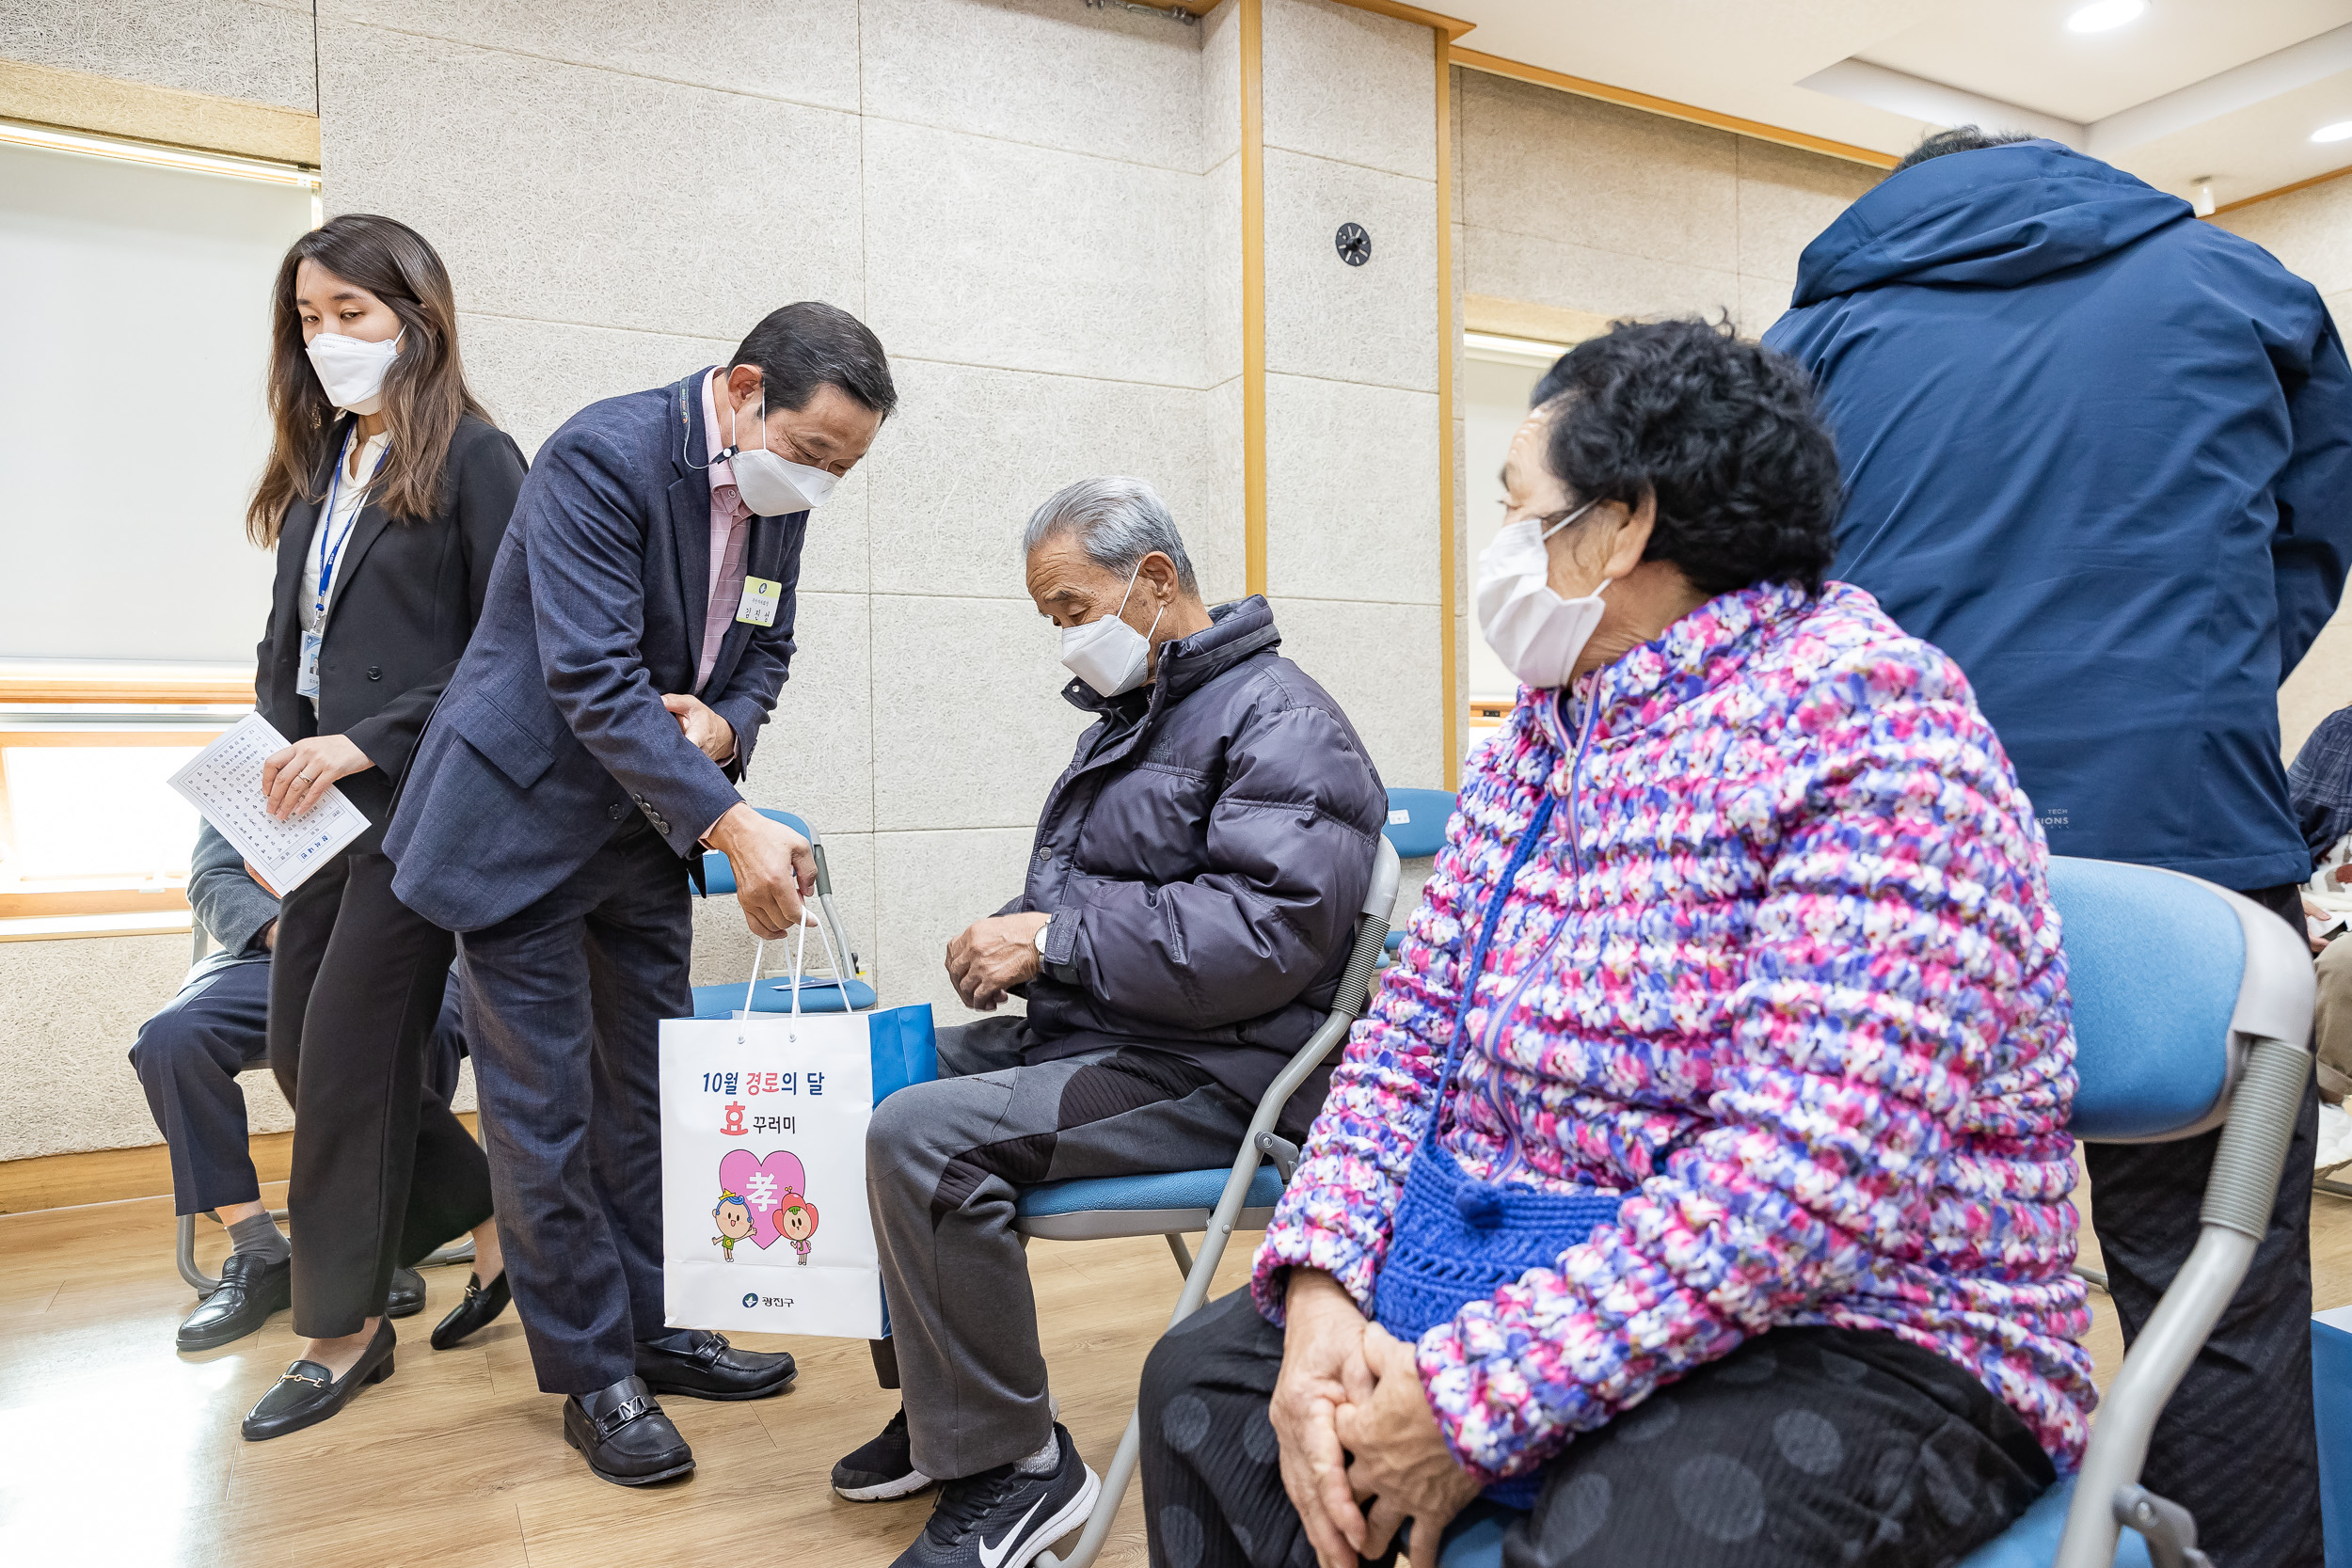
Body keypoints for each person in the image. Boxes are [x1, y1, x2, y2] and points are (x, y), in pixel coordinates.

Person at [1137, 319, 2092, 1568]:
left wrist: (1480, 1393)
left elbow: (1806, 1175)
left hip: (1869, 1318)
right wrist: (1322, 1287)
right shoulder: (1549, 728)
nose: (1500, 545)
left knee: (1632, 1537)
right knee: (1208, 1394)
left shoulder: (1879, 730)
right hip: (1541, 1256)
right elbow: (1409, 1033)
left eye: (1518, 506)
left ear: (1624, 521)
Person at [1763, 128, 2352, 1564]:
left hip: (1898, 874)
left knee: (1867, 1286)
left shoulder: (1814, 335)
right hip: (2188, 851)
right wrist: (2201, 682)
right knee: (2217, 1309)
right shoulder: (2243, 284)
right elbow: (2314, 527)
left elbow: (1770, 601)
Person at [384, 303, 897, 1487]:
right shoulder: (602, 456)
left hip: (635, 824)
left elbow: (765, 650)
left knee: (647, 1099)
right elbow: (592, 677)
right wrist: (729, 817)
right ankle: (589, 1370)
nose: (819, 483)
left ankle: (658, 1324)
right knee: (544, 1106)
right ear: (743, 387)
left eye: (843, 469)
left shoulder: (775, 503)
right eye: (813, 452)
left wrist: (731, 724)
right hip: (517, 819)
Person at [832, 477, 1389, 1568]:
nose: (1064, 637)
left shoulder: (1284, 719)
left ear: (1155, 579)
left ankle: (1018, 1472)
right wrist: (1015, 930)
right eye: (1050, 618)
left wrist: (1053, 943)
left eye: (1070, 607)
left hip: (1222, 1070)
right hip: (1122, 1033)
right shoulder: (1149, 711)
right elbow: (1114, 890)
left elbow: (1265, 934)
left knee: (920, 1136)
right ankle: (952, 1413)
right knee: (866, 1083)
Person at [236, 214, 526, 1442]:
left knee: (349, 1065)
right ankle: (493, 1212)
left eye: (352, 312)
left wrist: (372, 738)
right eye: (310, 318)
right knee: (303, 1056)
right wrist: (264, 784)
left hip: (426, 809)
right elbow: (284, 651)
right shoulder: (319, 475)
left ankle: (341, 1333)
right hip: (322, 820)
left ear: (418, 314)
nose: (330, 339)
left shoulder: (478, 457)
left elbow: (514, 651)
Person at [136, 822, 464, 1351]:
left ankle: (379, 1236)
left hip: (400, 954)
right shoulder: (255, 753)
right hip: (269, 957)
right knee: (171, 1039)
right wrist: (288, 933)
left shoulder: (410, 748)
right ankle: (258, 1247)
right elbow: (214, 876)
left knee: (431, 1025)